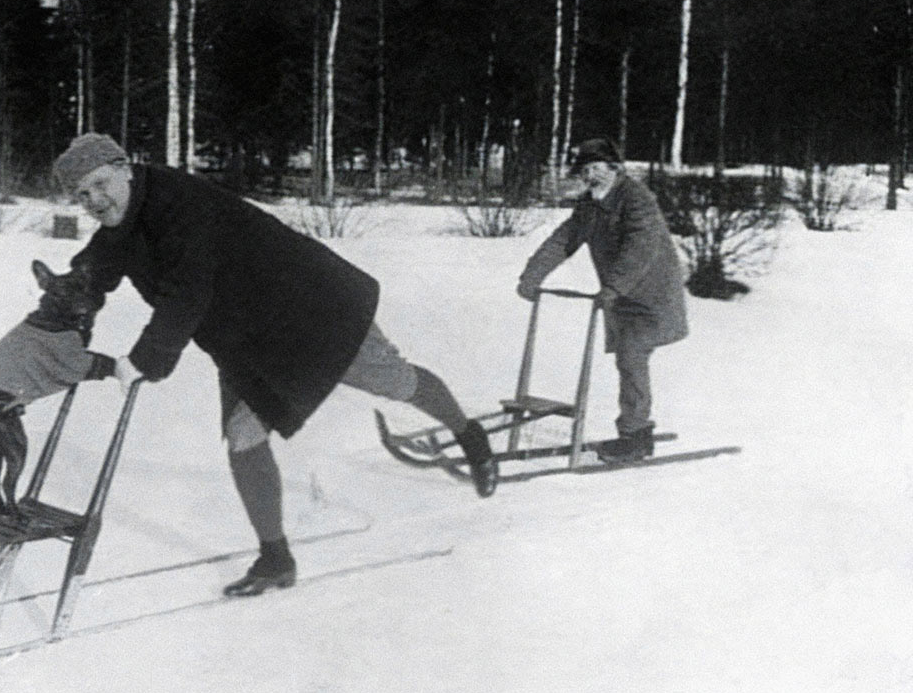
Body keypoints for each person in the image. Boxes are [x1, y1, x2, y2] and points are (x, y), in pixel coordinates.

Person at [51, 133, 497, 597]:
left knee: (395, 381)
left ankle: (469, 434)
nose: (95, 201)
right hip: (246, 334)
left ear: (124, 167)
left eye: (100, 184)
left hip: (312, 307)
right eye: (82, 195)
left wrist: (148, 358)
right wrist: (63, 304)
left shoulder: (179, 202)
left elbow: (187, 290)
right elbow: (97, 268)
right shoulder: (125, 219)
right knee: (244, 436)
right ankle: (275, 558)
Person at [516, 137, 688, 464]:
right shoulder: (590, 205)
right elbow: (563, 240)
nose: (590, 175)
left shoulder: (637, 199)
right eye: (585, 170)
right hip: (621, 295)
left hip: (652, 296)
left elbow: (640, 250)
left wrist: (613, 287)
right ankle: (635, 430)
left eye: (597, 168)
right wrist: (532, 276)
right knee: (628, 359)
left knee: (632, 355)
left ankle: (636, 436)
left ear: (614, 168)